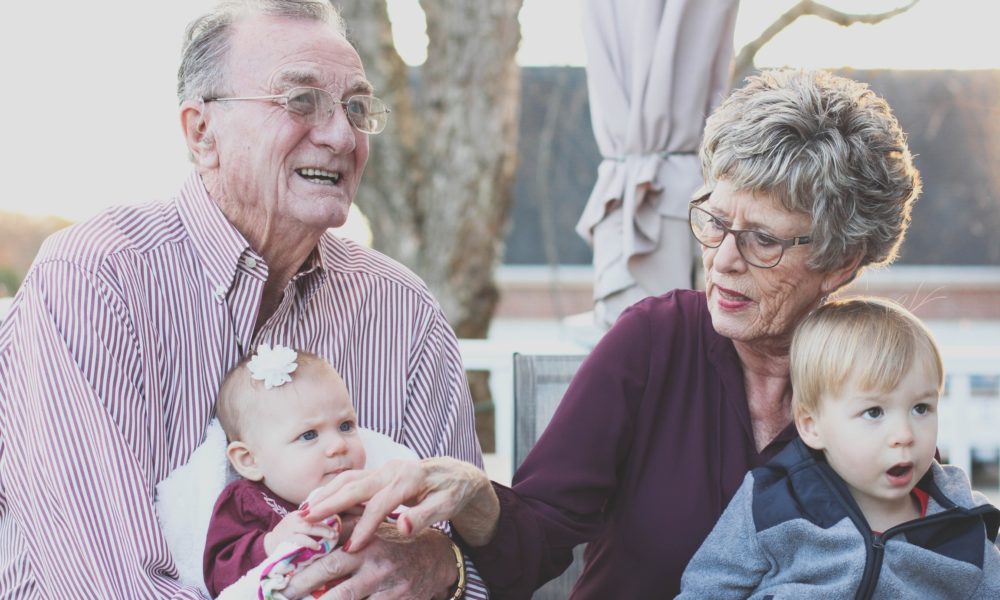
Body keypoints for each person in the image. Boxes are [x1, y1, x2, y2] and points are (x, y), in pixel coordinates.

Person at [300, 68, 925, 597]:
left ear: (840, 262)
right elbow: (534, 543)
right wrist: (474, 496)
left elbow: (927, 553)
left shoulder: (880, 376)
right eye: (713, 219)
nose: (723, 258)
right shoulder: (655, 342)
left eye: (762, 238)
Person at [0, 1, 487, 598]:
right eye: (300, 100)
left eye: (356, 108)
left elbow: (467, 555)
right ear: (202, 133)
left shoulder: (403, 311)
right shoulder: (96, 281)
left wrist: (441, 567)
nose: (340, 135)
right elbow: (101, 584)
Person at [678, 298, 1000, 598]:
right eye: (874, 412)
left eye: (921, 408)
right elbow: (704, 591)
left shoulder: (962, 523)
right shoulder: (773, 502)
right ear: (811, 426)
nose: (904, 434)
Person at [203, 345, 366, 596]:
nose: (339, 444)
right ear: (249, 460)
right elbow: (218, 574)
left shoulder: (366, 495)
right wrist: (270, 544)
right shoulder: (248, 501)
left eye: (346, 425)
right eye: (309, 434)